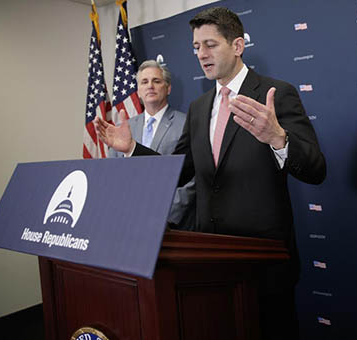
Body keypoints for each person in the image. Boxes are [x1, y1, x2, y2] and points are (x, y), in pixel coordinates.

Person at [95, 7, 326, 339]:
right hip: (210, 262)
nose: (201, 54)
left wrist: (278, 138)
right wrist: (132, 149)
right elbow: (178, 170)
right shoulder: (199, 107)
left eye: (210, 44)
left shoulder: (276, 93)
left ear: (237, 46)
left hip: (263, 262)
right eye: (195, 47)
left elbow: (316, 169)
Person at [107, 60, 196, 230]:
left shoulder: (186, 123)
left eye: (156, 81)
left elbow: (193, 179)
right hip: (127, 219)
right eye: (144, 82)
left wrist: (167, 214)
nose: (150, 86)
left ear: (168, 88)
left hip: (168, 223)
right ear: (138, 91)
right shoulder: (125, 128)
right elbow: (113, 174)